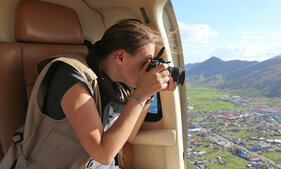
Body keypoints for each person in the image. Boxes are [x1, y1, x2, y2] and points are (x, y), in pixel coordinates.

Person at [1, 19, 177, 169]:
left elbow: (128, 135)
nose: (149, 68)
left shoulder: (116, 87)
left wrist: (149, 93)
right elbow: (104, 153)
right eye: (146, 62)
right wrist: (141, 94)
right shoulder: (71, 77)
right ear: (121, 57)